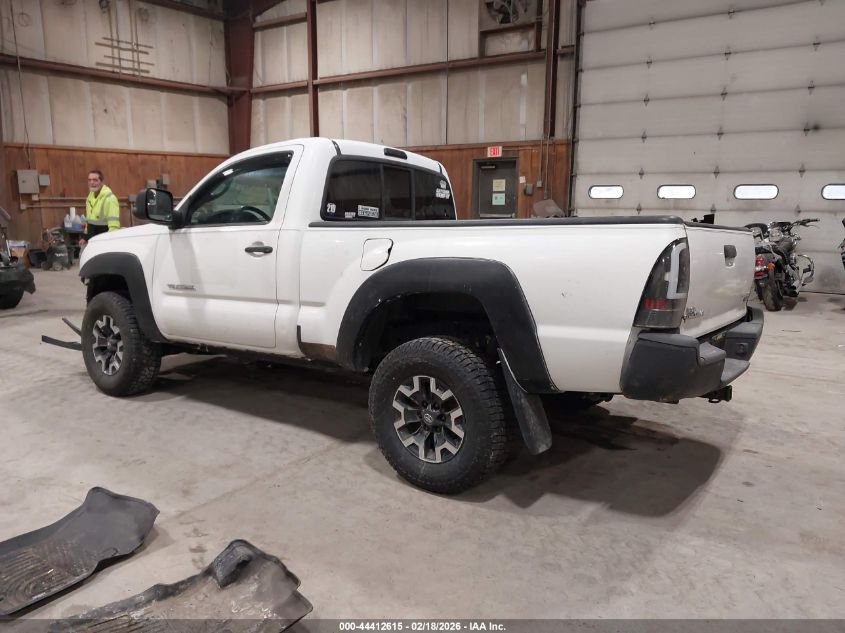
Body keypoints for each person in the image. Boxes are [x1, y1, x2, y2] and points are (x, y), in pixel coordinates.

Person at [80, 170, 120, 246]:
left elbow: (114, 226)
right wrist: (85, 237)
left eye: (95, 180)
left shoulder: (110, 199)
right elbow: (88, 221)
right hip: (91, 242)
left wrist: (110, 244)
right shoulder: (89, 198)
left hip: (104, 243)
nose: (91, 182)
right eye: (89, 180)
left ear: (101, 182)